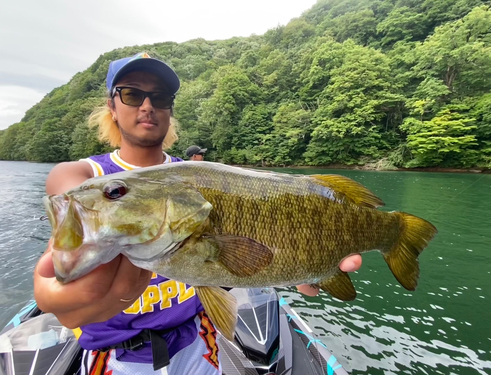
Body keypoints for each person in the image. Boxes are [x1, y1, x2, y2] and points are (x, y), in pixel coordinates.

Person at [33, 52, 363, 375]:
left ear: (170, 109)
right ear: (112, 106)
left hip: (197, 342)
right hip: (117, 356)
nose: (147, 105)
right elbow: (68, 194)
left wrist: (291, 262)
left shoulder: (196, 176)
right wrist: (49, 291)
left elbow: (241, 249)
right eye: (132, 94)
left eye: (159, 96)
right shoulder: (85, 175)